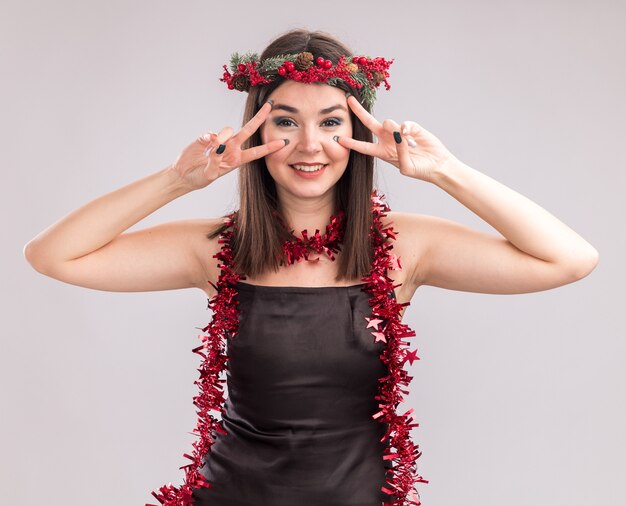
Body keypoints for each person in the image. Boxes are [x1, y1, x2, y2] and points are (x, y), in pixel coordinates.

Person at [23, 28, 599, 506]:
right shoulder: (217, 248)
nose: (309, 145)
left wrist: (445, 172)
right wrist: (177, 181)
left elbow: (570, 260)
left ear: (357, 134)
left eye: (329, 122)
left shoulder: (404, 247)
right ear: (257, 128)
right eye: (285, 121)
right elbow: (52, 255)